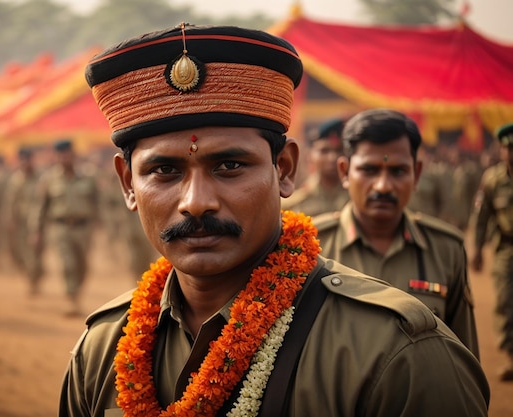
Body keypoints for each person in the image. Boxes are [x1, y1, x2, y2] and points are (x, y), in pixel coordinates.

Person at [58, 24, 489, 417]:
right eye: (164, 171)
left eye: (229, 166)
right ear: (127, 184)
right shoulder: (104, 350)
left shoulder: (394, 356)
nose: (196, 202)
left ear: (284, 169)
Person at [312, 109, 479, 357]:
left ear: (417, 173)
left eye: (398, 171)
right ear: (344, 172)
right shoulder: (311, 245)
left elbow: (464, 358)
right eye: (369, 170)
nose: (383, 185)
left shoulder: (447, 250)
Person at [29, 139, 99, 316]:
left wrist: (102, 224)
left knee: (82, 265)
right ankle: (72, 298)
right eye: (60, 155)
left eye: (66, 155)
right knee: (67, 264)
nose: (63, 158)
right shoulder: (49, 180)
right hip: (60, 228)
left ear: (73, 156)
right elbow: (40, 207)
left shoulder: (88, 178)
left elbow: (98, 202)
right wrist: (36, 231)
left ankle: (76, 290)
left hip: (83, 228)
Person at [471, 121, 513, 381]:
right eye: (508, 149)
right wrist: (476, 249)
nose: (512, 153)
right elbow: (481, 217)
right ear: (500, 150)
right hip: (506, 249)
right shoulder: (492, 180)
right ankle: (511, 357)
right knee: (505, 302)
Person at [281, 117, 349, 216]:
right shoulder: (291, 205)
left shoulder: (357, 200)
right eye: (324, 151)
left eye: (339, 150)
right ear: (310, 155)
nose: (332, 158)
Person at [2, 146, 44, 295]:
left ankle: (35, 279)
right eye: (22, 160)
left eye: (28, 159)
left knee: (35, 254)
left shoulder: (41, 178)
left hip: (38, 224)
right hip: (21, 224)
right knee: (22, 254)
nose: (25, 163)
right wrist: (10, 219)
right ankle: (31, 277)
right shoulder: (16, 180)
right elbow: (11, 201)